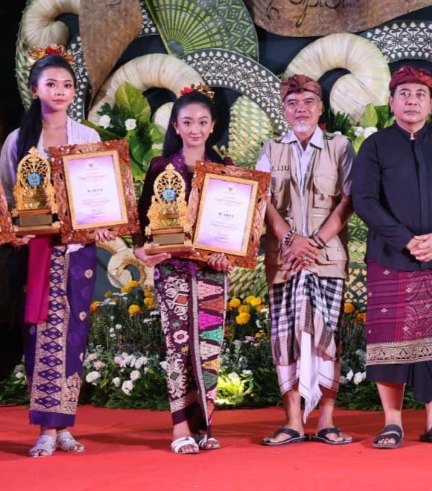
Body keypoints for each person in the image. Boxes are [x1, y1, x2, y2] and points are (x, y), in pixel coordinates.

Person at [0, 48, 113, 457]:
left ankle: (64, 426)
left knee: (74, 337)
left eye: (67, 85)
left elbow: (102, 192)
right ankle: (45, 430)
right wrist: (19, 230)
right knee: (40, 335)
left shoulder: (88, 137)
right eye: (51, 84)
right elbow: (8, 194)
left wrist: (103, 221)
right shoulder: (19, 140)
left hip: (79, 251)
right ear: (35, 89)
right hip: (37, 253)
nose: (60, 91)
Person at [352, 66, 432, 449]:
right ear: (391, 101)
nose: (412, 100)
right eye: (404, 93)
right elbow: (364, 201)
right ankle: (392, 421)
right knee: (388, 344)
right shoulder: (376, 146)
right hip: (391, 257)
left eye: (420, 94)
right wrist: (406, 240)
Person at [256, 75, 355, 446]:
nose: (301, 109)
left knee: (327, 337)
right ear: (284, 109)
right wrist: (289, 240)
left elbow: (350, 199)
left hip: (326, 258)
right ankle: (293, 421)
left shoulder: (340, 146)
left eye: (308, 102)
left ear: (321, 107)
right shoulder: (270, 148)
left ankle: (327, 420)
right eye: (293, 102)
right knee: (286, 339)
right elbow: (261, 200)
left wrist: (313, 242)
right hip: (284, 260)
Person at [133, 85, 232, 454]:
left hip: (211, 272)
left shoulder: (226, 170)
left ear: (212, 126)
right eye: (187, 121)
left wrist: (228, 256)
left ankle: (204, 426)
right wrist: (142, 251)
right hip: (172, 270)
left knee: (208, 348)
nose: (195, 129)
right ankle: (179, 428)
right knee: (177, 346)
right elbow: (143, 222)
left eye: (202, 122)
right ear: (175, 126)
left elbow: (236, 231)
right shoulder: (161, 168)